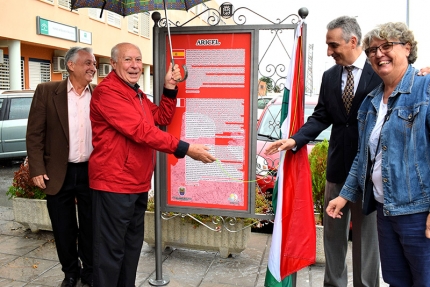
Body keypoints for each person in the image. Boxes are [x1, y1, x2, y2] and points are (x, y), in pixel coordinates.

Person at [265, 16, 381, 286]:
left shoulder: (379, 73)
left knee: (367, 243)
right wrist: (294, 140)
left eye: (333, 45)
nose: (329, 52)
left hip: (368, 173)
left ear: (353, 42)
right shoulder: (330, 76)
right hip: (337, 171)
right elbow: (321, 116)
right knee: (333, 238)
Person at [89, 42, 216, 287]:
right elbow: (141, 131)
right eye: (127, 60)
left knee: (131, 247)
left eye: (138, 59)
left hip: (136, 183)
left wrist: (169, 87)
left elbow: (161, 117)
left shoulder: (136, 93)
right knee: (110, 253)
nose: (135, 65)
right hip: (113, 184)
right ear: (114, 64)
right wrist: (186, 149)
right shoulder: (108, 93)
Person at [327, 22, 430, 286]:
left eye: (387, 46)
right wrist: (344, 195)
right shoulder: (371, 102)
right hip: (384, 211)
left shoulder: (425, 89)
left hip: (417, 214)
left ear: (407, 48)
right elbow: (364, 157)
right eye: (373, 49)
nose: (378, 54)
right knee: (396, 281)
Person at [27, 47, 97, 287]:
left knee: (91, 227)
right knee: (63, 227)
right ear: (71, 65)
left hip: (91, 172)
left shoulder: (98, 94)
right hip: (57, 172)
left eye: (95, 64)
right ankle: (70, 272)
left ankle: (89, 272)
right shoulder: (46, 91)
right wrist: (36, 168)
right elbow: (35, 134)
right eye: (88, 63)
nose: (93, 68)